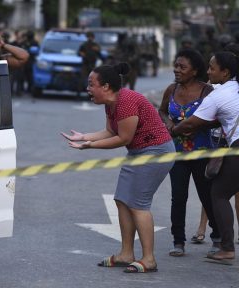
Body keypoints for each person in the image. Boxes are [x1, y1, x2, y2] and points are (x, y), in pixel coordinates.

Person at [61, 63, 175, 273]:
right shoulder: (111, 103)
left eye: (91, 84)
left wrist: (90, 146)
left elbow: (123, 138)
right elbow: (109, 131)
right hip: (139, 152)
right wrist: (84, 136)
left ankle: (149, 259)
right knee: (122, 200)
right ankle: (126, 254)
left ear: (105, 86)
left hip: (156, 152)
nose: (88, 89)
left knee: (138, 204)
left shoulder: (126, 101)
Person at [173, 51, 239, 261]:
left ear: (225, 72)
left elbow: (193, 122)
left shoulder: (217, 94)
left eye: (212, 68)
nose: (209, 71)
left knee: (218, 194)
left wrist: (172, 131)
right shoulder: (235, 89)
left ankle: (226, 246)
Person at [159, 48, 220, 257]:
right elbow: (162, 110)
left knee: (207, 196)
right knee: (178, 197)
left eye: (182, 67)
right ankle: (178, 242)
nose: (176, 70)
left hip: (202, 152)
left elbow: (219, 118)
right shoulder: (171, 89)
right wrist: (168, 122)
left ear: (194, 71)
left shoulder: (207, 92)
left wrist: (198, 125)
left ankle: (218, 238)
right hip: (176, 152)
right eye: (176, 65)